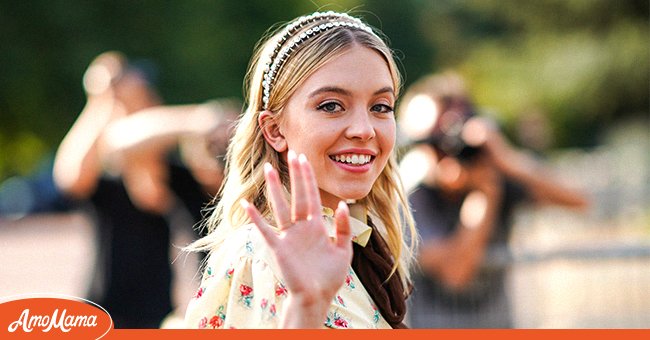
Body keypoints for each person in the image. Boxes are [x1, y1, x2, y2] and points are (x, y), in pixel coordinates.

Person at [183, 11, 418, 329]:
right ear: (275, 130)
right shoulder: (264, 254)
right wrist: (305, 310)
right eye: (331, 106)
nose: (364, 130)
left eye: (381, 107)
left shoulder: (358, 244)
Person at [53, 51, 238, 328]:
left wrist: (199, 120)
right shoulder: (108, 179)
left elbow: (132, 141)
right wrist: (102, 100)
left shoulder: (180, 176)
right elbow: (71, 176)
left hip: (158, 318)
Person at [396, 71, 589, 328]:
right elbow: (455, 273)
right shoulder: (410, 196)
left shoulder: (498, 176)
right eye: (433, 140)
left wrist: (507, 159)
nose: (447, 150)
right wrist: (485, 194)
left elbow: (580, 201)